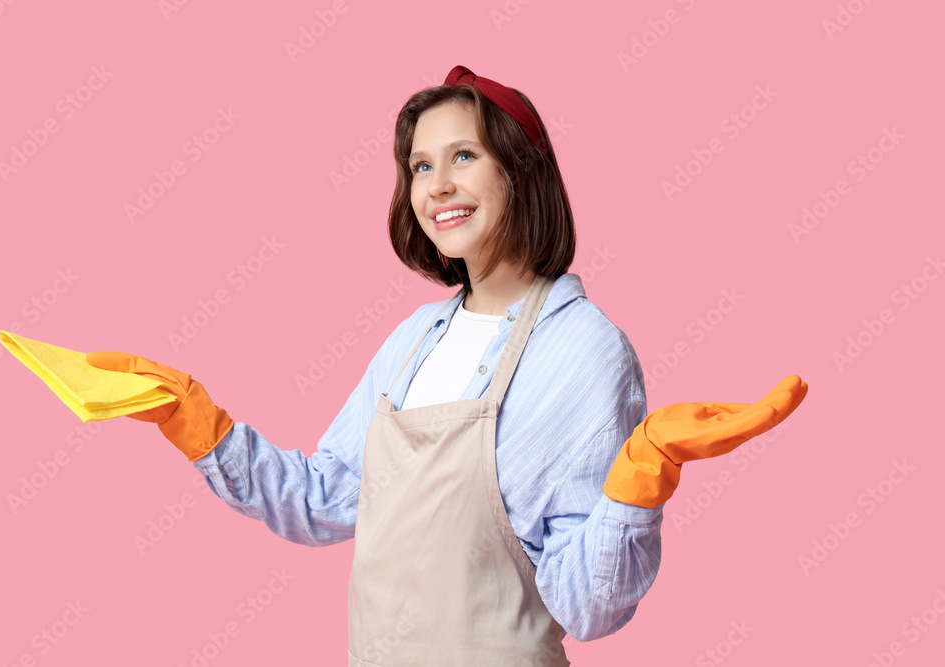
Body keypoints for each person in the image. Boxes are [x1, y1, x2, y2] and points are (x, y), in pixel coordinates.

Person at [86, 65, 807, 666]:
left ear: (520, 170)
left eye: (463, 156)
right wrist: (196, 424)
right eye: (420, 166)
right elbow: (325, 499)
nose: (435, 186)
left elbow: (587, 607)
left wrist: (640, 478)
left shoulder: (583, 352)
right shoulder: (413, 341)